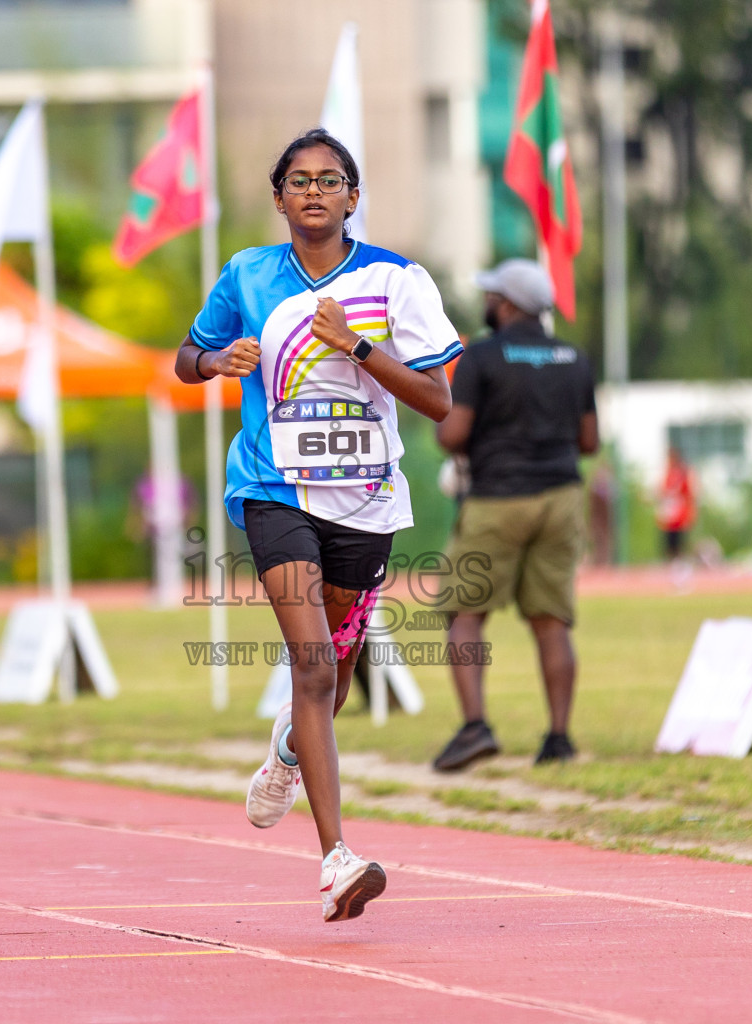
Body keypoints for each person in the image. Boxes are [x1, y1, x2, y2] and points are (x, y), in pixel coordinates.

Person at [174, 128, 460, 922]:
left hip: (366, 501)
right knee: (317, 669)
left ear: (352, 198)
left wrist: (358, 347)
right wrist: (215, 362)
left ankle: (289, 749)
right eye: (298, 180)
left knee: (330, 662)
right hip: (272, 489)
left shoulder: (397, 281)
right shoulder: (247, 275)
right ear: (279, 198)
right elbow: (184, 360)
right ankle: (336, 860)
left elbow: (439, 402)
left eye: (329, 180)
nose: (313, 191)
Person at [431, 259, 599, 772]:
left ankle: (476, 726)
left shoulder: (481, 356)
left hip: (497, 498)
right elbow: (589, 442)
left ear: (505, 305)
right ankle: (559, 738)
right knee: (551, 621)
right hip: (561, 497)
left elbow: (454, 433)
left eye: (491, 297)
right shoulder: (573, 356)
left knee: (464, 614)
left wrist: (448, 431)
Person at [657, 445, 696, 563]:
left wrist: (689, 513)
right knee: (669, 542)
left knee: (680, 542)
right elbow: (662, 492)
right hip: (669, 515)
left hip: (680, 514)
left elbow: (689, 493)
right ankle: (671, 564)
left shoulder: (683, 473)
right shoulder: (667, 473)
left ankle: (680, 565)